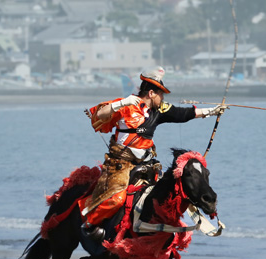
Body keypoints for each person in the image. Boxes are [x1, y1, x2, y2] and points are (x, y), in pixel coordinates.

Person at [79, 67, 226, 239]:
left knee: (169, 193)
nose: (162, 98)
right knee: (116, 199)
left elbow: (183, 113)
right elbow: (99, 115)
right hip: (120, 166)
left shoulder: (159, 110)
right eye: (160, 94)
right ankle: (89, 224)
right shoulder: (126, 105)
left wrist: (212, 111)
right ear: (151, 93)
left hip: (147, 165)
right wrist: (122, 103)